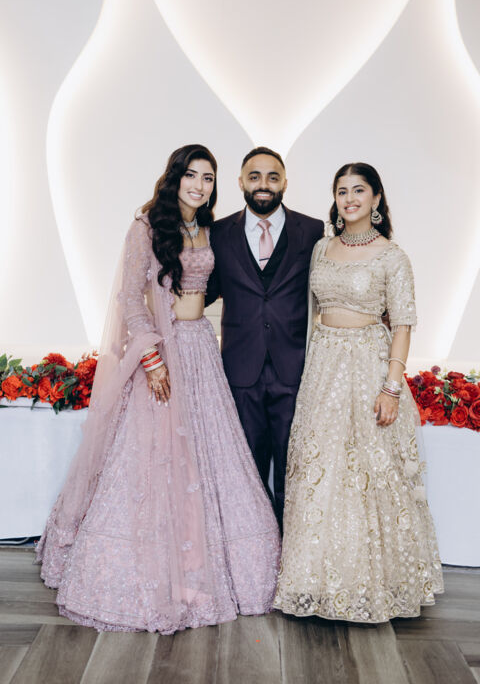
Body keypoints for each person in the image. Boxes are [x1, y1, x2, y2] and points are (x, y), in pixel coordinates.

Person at [37, 144, 281, 634]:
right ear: (174, 177)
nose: (199, 185)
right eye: (191, 175)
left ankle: (219, 573)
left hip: (201, 350)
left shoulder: (210, 229)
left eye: (208, 178)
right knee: (157, 460)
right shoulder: (147, 228)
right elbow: (130, 297)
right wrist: (151, 360)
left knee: (212, 457)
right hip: (163, 355)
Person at [274, 163, 444, 623]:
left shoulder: (392, 256)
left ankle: (374, 583)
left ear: (376, 198)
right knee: (319, 468)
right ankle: (313, 580)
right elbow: (309, 311)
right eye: (342, 191)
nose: (349, 199)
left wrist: (392, 387)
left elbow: (403, 325)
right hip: (323, 364)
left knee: (370, 472)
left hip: (369, 363)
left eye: (359, 190)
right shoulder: (322, 248)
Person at [206, 147, 324, 526]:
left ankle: (292, 548)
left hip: (296, 370)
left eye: (273, 177)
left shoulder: (313, 231)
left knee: (294, 472)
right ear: (240, 182)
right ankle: (254, 548)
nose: (263, 184)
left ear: (285, 183)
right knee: (247, 473)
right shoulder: (217, 233)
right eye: (254, 176)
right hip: (240, 371)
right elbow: (201, 291)